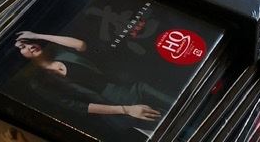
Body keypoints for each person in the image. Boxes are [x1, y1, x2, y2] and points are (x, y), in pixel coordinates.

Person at [14, 32, 170, 124]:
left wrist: (37, 35)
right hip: (117, 107)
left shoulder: (59, 52)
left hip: (133, 86)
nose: (29, 46)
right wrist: (126, 110)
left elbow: (81, 45)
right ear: (19, 56)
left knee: (176, 104)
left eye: (29, 42)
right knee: (170, 126)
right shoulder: (38, 82)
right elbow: (79, 106)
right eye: (22, 47)